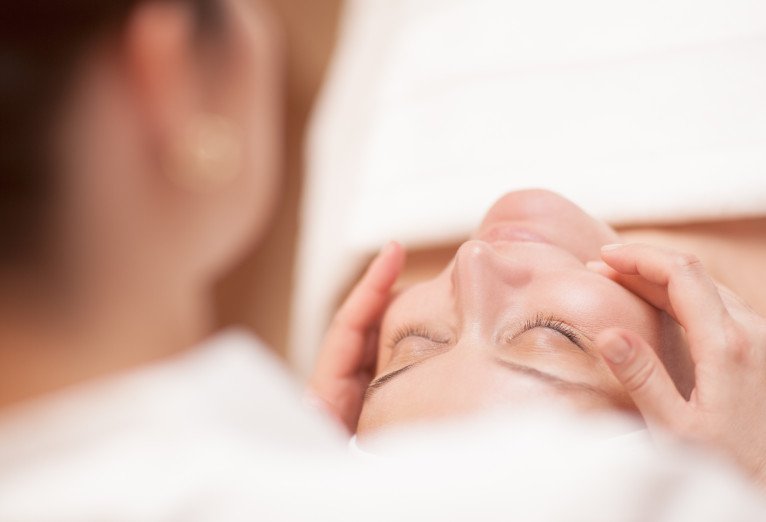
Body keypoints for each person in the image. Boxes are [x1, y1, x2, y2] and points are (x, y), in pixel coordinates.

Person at [311, 189, 766, 488]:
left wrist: (301, 462)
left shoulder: (372, 213)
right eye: (553, 335)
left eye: (416, 342)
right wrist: (740, 484)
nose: (473, 260)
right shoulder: (729, 482)